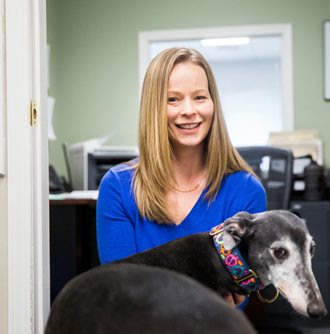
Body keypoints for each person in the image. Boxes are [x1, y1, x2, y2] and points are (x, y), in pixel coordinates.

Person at [96, 47, 266, 306]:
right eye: (172, 99)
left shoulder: (246, 191)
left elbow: (234, 300)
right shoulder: (118, 187)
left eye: (199, 97)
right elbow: (122, 292)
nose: (189, 110)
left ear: (213, 104)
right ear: (154, 109)